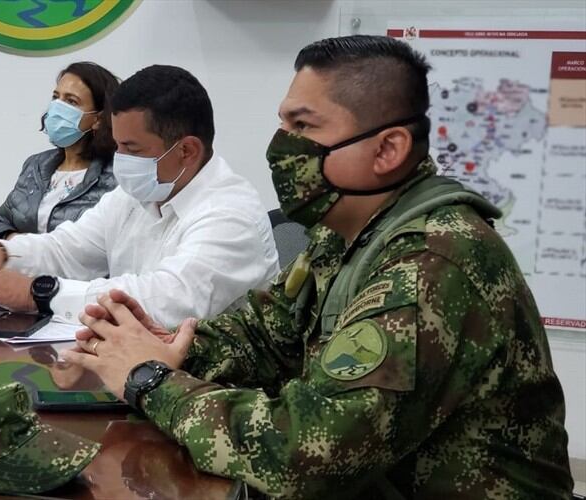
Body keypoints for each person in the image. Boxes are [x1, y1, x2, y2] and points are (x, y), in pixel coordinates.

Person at [64, 36, 574, 498]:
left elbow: (306, 454)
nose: (281, 145)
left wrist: (151, 380)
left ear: (388, 148)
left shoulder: (431, 262)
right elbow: (267, 337)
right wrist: (169, 342)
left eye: (303, 125)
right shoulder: (344, 234)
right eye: (283, 123)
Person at [0, 65, 279, 328]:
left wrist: (40, 293)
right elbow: (69, 248)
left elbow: (166, 302)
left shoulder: (230, 214)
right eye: (118, 144)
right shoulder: (139, 194)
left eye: (132, 149)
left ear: (187, 150)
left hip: (213, 394)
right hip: (137, 370)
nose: (120, 159)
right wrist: (3, 253)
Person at [0, 62, 120, 243]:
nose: (57, 107)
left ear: (98, 119)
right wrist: (16, 242)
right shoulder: (36, 165)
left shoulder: (116, 176)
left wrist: (31, 250)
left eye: (71, 101)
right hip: (20, 268)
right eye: (56, 97)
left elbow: (99, 248)